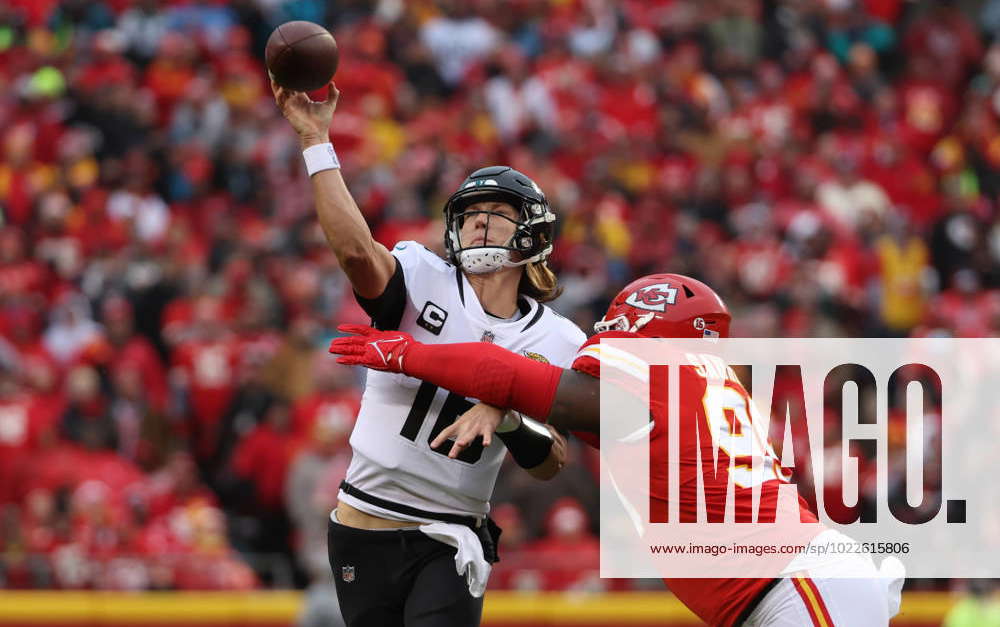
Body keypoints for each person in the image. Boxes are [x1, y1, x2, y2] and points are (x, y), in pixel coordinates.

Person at [330, 273, 905, 626]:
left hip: (792, 587)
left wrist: (406, 354)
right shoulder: (697, 387)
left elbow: (504, 373)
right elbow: (545, 406)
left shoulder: (647, 381)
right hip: (792, 586)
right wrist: (503, 408)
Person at [272, 80, 585, 627]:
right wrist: (315, 140)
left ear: (533, 233)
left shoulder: (557, 339)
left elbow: (552, 461)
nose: (480, 221)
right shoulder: (422, 276)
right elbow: (353, 252)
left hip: (450, 530)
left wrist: (508, 415)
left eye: (496, 210)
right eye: (471, 213)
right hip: (361, 522)